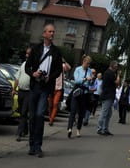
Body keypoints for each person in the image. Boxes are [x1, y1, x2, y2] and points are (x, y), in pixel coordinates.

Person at [25, 24, 63, 157]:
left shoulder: (56, 51)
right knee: (32, 116)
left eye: (53, 32)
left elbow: (59, 70)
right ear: (44, 34)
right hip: (34, 86)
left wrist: (49, 77)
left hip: (45, 87)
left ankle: (38, 146)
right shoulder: (36, 49)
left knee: (40, 115)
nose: (52, 34)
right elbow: (27, 67)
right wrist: (33, 73)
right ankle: (31, 145)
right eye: (50, 31)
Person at [67, 56, 95, 138]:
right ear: (83, 62)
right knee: (73, 110)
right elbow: (77, 80)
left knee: (81, 112)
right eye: (87, 63)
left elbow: (91, 84)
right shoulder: (78, 69)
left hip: (85, 93)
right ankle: (69, 128)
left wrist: (91, 80)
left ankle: (78, 130)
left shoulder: (89, 71)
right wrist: (85, 78)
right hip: (77, 91)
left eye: (89, 64)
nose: (88, 65)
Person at [97, 60, 119, 135]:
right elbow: (117, 83)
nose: (117, 68)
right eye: (116, 66)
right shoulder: (110, 73)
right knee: (104, 112)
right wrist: (118, 75)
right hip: (108, 95)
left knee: (108, 113)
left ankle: (105, 128)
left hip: (108, 95)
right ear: (113, 66)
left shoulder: (108, 73)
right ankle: (100, 128)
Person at [14, 47, 31, 142]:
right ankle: (25, 129)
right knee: (21, 112)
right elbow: (17, 77)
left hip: (29, 92)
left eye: (29, 54)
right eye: (26, 53)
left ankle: (19, 133)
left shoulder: (34, 66)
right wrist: (14, 89)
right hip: (20, 91)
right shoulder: (23, 64)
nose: (27, 55)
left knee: (24, 112)